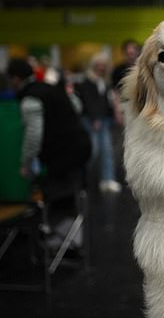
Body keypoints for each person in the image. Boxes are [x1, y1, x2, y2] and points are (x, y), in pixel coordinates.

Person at [7, 58, 91, 249]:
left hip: (63, 154)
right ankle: (72, 240)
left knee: (57, 194)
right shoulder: (50, 86)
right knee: (71, 193)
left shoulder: (29, 98)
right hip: (81, 146)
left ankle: (63, 241)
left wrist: (26, 163)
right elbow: (76, 105)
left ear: (15, 79)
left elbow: (33, 135)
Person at [75, 52, 121, 193]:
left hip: (104, 121)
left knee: (107, 151)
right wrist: (94, 118)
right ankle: (81, 181)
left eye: (103, 65)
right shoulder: (86, 82)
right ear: (94, 65)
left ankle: (107, 180)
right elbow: (88, 101)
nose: (101, 67)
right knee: (91, 152)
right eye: (99, 65)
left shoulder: (105, 82)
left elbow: (106, 102)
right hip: (91, 121)